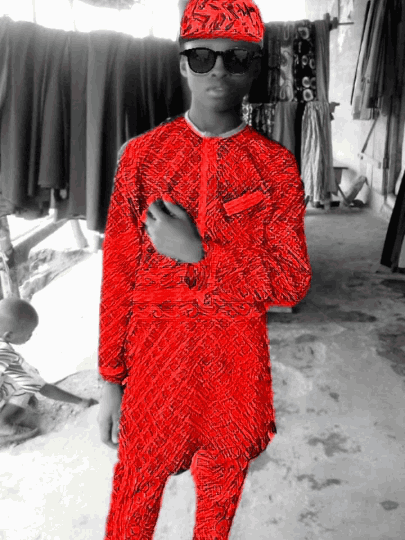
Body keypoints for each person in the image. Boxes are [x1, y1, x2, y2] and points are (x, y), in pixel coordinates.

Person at [97, 0, 312, 538]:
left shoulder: (275, 167)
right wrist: (110, 381)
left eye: (236, 58)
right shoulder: (142, 157)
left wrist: (202, 255)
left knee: (217, 511)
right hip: (155, 362)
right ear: (182, 64)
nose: (218, 70)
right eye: (201, 57)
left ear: (255, 67)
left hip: (234, 369)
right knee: (132, 505)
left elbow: (291, 280)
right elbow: (118, 272)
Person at [0, 297, 98, 444]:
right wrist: (82, 401)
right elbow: (44, 389)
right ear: (8, 335)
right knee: (28, 380)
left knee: (22, 376)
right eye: (29, 333)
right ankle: (2, 423)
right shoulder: (6, 354)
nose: (30, 336)